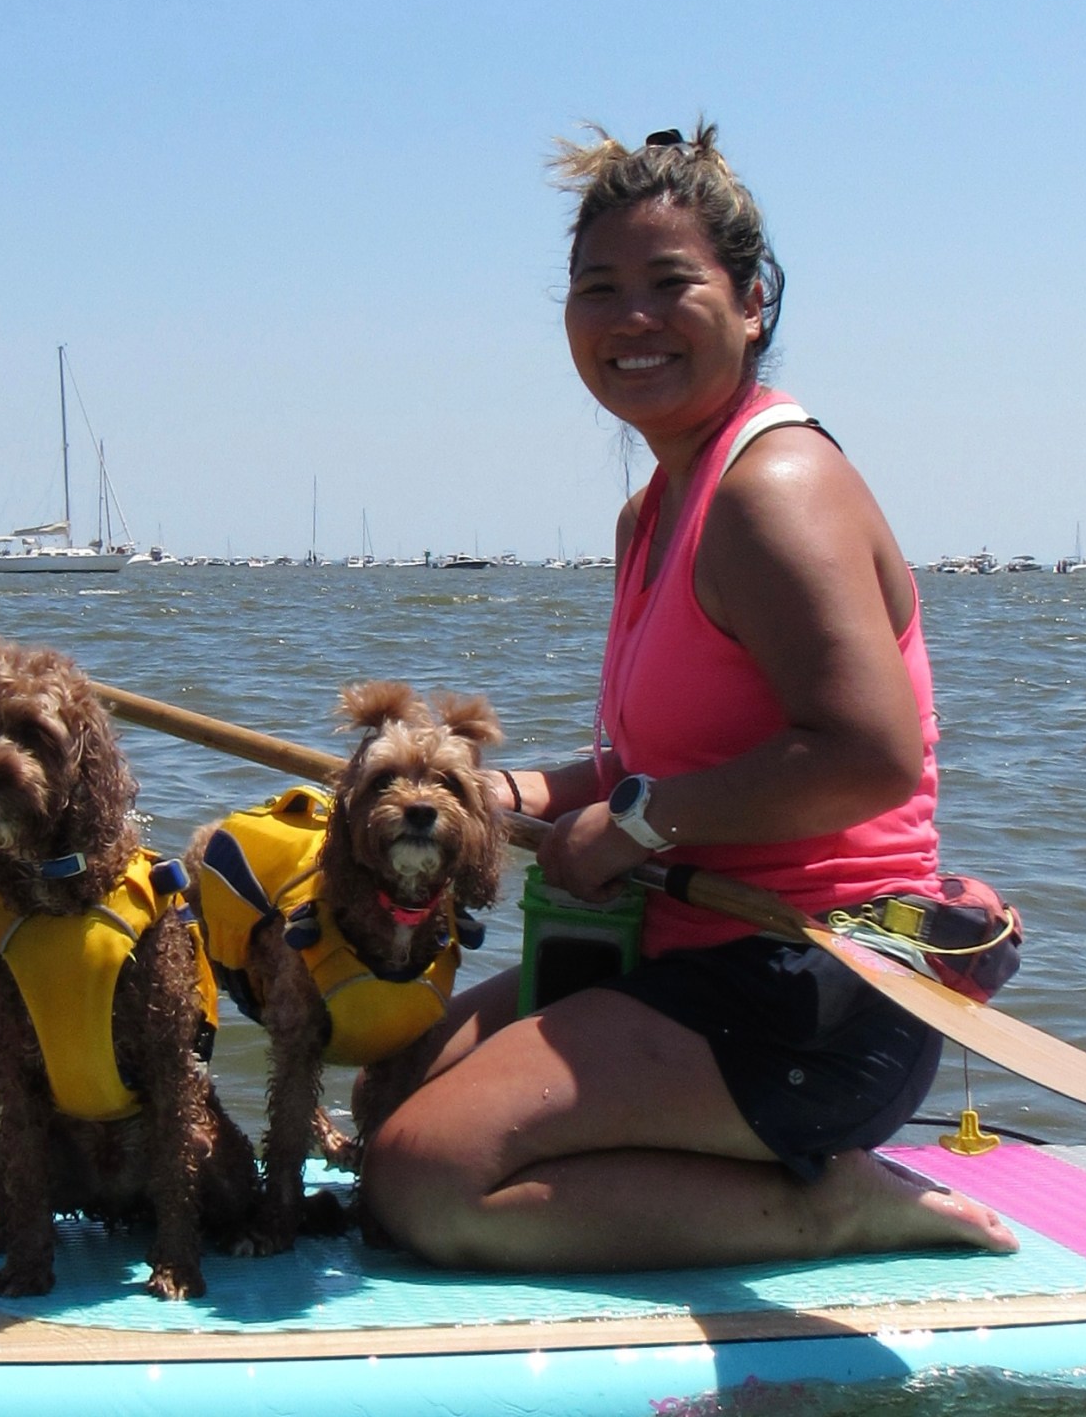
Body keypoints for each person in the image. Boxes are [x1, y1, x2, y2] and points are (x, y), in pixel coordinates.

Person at [361, 123, 1015, 1271]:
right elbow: (642, 766)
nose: (630, 320)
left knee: (423, 1181)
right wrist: (482, 788)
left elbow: (870, 756)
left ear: (752, 300)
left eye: (672, 285)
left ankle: (834, 1205)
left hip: (817, 981)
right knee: (390, 1095)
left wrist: (642, 828)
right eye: (597, 289)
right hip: (676, 949)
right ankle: (725, 1171)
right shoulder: (653, 509)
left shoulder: (777, 487)